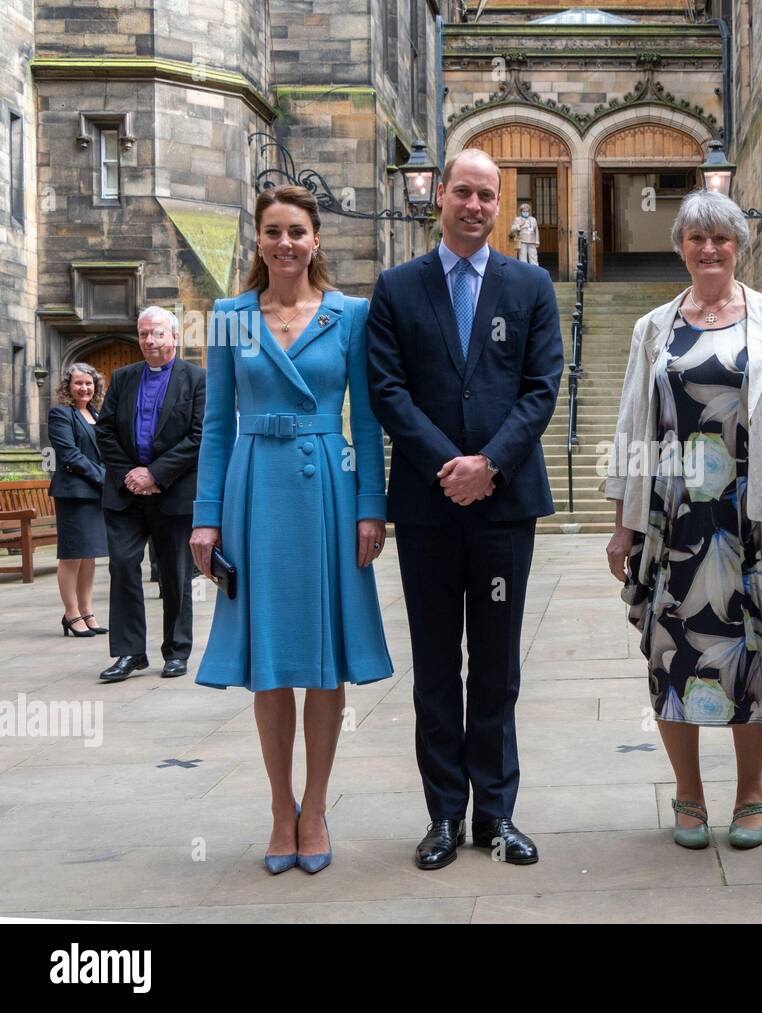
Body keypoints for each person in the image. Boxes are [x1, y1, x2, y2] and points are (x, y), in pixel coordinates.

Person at [604, 189, 762, 850]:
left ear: (739, 246)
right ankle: (689, 793)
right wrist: (623, 522)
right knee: (670, 656)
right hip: (673, 521)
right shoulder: (654, 328)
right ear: (681, 247)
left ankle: (751, 792)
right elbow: (631, 428)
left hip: (748, 518)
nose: (708, 249)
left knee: (751, 654)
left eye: (720, 238)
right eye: (696, 239)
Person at [367, 148, 563, 871]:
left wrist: (490, 464)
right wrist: (449, 465)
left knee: (497, 666)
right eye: (464, 193)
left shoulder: (531, 283)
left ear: (499, 204)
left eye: (489, 195)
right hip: (427, 504)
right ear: (439, 195)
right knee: (434, 664)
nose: (476, 205)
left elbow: (542, 386)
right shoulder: (396, 287)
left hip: (504, 506)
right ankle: (444, 816)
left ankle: (498, 814)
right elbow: (387, 390)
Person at [190, 185, 392, 875]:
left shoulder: (351, 314)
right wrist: (205, 517)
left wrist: (372, 504)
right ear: (258, 240)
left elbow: (365, 421)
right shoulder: (227, 316)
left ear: (315, 241)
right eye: (273, 231)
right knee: (269, 659)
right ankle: (280, 808)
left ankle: (317, 805)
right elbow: (216, 425)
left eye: (297, 231)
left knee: (323, 656)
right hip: (253, 489)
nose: (285, 242)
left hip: (327, 488)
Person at [96, 307, 205, 682]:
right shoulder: (123, 378)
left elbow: (200, 435)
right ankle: (129, 653)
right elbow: (105, 430)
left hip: (172, 493)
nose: (149, 341)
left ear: (174, 336)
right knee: (123, 567)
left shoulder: (197, 379)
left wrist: (156, 473)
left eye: (157, 334)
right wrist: (131, 474)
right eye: (143, 334)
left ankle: (176, 651)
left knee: (175, 574)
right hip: (126, 494)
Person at [48, 363, 109, 637]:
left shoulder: (95, 414)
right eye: (78, 383)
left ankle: (87, 611)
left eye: (89, 383)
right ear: (67, 386)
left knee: (89, 556)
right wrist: (105, 477)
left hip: (94, 493)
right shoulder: (61, 414)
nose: (84, 388)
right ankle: (71, 614)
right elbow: (70, 455)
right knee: (72, 555)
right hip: (73, 493)